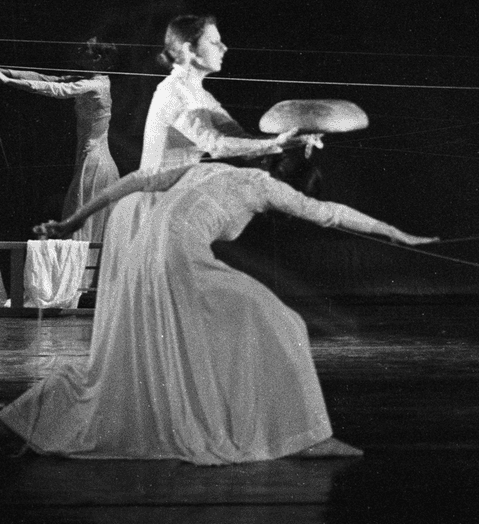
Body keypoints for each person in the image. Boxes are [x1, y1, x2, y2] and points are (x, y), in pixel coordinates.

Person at [0, 149, 437, 464]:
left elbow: (134, 182)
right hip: (177, 262)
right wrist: (394, 231)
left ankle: (251, 419)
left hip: (140, 260)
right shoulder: (265, 186)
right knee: (285, 323)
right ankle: (306, 437)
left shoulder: (207, 169)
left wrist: (72, 221)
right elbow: (328, 213)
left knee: (237, 327)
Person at [140, 14, 314, 171]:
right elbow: (216, 146)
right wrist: (274, 143)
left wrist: (292, 141)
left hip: (177, 191)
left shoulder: (201, 96)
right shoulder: (173, 92)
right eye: (214, 42)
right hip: (156, 195)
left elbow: (240, 139)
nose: (224, 48)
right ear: (190, 50)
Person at [0, 39, 121, 245]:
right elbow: (48, 79)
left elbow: (58, 90)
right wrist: (8, 72)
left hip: (95, 163)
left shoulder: (95, 85)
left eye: (85, 48)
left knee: (80, 217)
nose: (79, 50)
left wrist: (8, 81)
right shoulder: (87, 79)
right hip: (89, 157)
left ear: (98, 58)